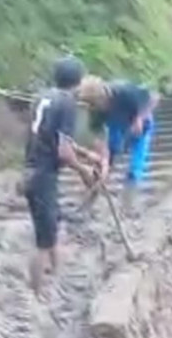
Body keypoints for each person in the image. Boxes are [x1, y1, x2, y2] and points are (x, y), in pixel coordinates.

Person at [22, 56, 100, 297]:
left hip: (31, 171)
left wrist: (85, 154)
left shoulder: (43, 97)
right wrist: (84, 171)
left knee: (53, 224)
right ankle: (37, 295)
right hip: (44, 175)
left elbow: (51, 137)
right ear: (78, 82)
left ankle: (57, 279)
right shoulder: (67, 104)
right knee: (44, 240)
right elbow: (63, 152)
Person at [76, 74, 159, 213]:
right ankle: (90, 199)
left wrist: (139, 118)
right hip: (117, 127)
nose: (96, 108)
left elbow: (153, 98)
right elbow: (99, 137)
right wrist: (104, 159)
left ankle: (129, 202)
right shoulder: (95, 110)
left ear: (103, 96)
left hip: (141, 124)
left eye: (97, 104)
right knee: (101, 165)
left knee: (135, 166)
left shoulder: (124, 90)